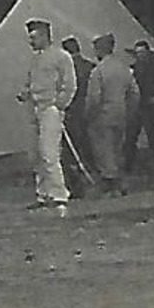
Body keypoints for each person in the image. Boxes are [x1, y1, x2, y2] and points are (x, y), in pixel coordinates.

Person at [16, 18, 77, 212]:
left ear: (44, 36)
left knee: (50, 153)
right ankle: (43, 194)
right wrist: (25, 92)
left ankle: (60, 195)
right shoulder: (34, 59)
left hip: (50, 109)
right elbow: (29, 82)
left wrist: (59, 105)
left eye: (34, 37)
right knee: (36, 155)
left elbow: (70, 84)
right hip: (33, 108)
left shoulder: (61, 56)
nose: (31, 41)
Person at [84, 33, 139, 196]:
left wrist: (89, 115)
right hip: (121, 114)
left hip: (102, 116)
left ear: (100, 49)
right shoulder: (124, 68)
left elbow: (94, 97)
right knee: (117, 148)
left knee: (104, 150)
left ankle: (110, 184)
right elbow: (135, 93)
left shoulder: (98, 71)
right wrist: (130, 111)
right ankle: (121, 182)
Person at [125, 40, 154, 175]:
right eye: (138, 53)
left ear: (148, 52)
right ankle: (128, 166)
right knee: (131, 136)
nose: (140, 56)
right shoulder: (134, 68)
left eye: (142, 53)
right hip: (137, 105)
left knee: (153, 136)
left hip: (150, 104)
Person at [60, 36, 96, 195]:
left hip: (71, 114)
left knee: (69, 153)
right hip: (90, 112)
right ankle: (96, 180)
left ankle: (76, 186)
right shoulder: (91, 66)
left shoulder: (65, 70)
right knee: (89, 148)